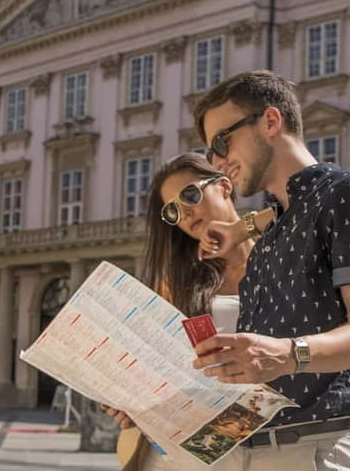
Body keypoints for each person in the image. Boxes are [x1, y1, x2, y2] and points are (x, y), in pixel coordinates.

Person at [191, 70, 350, 470]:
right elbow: (280, 213)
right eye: (210, 152)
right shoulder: (277, 226)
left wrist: (288, 354)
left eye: (221, 141)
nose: (216, 162)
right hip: (246, 445)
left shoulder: (347, 192)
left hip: (315, 449)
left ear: (270, 121)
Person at [103, 152, 273, 470]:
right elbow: (156, 365)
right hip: (196, 445)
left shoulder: (280, 254)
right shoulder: (181, 282)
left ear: (224, 186)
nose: (185, 213)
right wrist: (127, 402)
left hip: (275, 441)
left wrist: (241, 230)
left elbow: (309, 210)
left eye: (190, 195)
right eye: (172, 211)